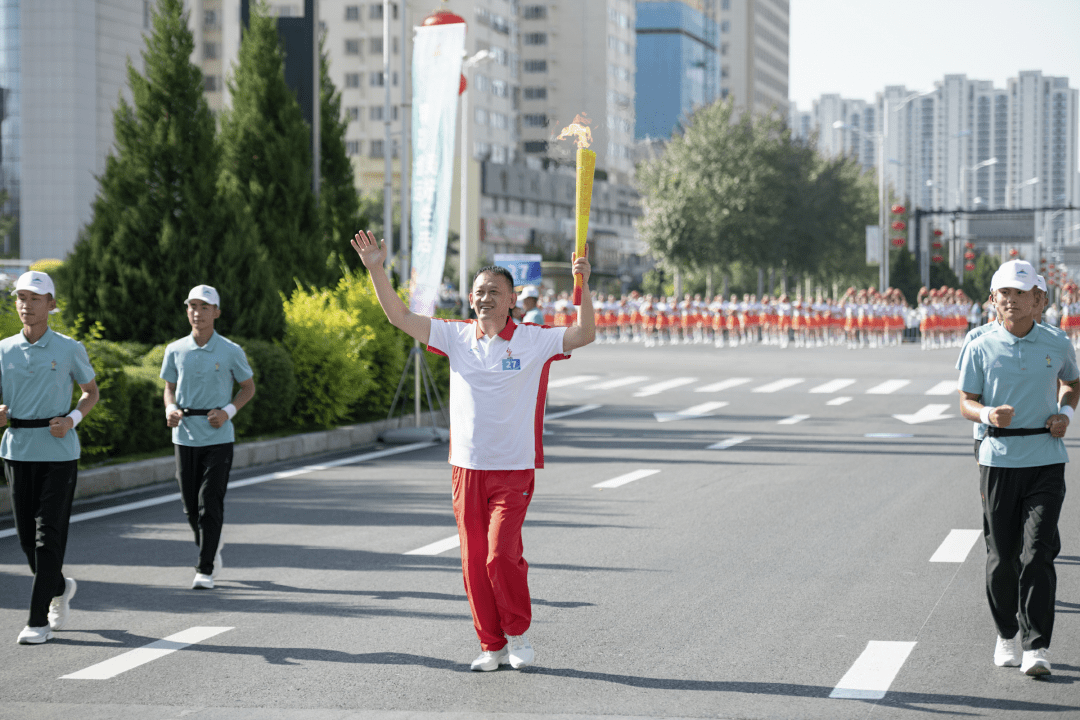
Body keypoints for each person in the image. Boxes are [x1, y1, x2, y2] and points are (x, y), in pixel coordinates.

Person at [351, 229, 595, 672]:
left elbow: (584, 335)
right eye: (479, 292)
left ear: (511, 299)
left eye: (494, 293)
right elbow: (400, 317)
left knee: (500, 554)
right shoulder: (456, 337)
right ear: (470, 298)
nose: (485, 299)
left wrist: (584, 287)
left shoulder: (532, 340)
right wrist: (375, 269)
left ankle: (517, 634)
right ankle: (491, 644)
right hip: (466, 467)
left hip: (513, 468)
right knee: (472, 562)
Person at [957, 260, 1078, 677]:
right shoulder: (978, 345)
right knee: (1003, 556)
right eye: (1003, 293)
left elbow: (1073, 382)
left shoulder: (1057, 343)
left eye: (1019, 293)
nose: (1011, 299)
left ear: (1036, 300)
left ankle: (1037, 644)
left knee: (1039, 553)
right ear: (993, 300)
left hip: (1046, 457)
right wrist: (988, 414)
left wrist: (1065, 412)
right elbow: (965, 401)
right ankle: (1007, 633)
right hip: (999, 459)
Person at [1, 271, 99, 644]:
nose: (26, 305)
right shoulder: (3, 349)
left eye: (35, 298)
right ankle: (60, 586)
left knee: (47, 539)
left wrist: (72, 419)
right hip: (17, 451)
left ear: (52, 305)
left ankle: (37, 621)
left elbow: (90, 392)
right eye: (21, 298)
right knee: (27, 541)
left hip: (58, 454)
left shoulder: (69, 347)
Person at [161, 285, 255, 590]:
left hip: (218, 436)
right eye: (192, 307)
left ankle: (205, 568)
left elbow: (248, 388)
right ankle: (211, 545)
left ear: (216, 312)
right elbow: (169, 388)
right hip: (184, 435)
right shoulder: (175, 349)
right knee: (190, 507)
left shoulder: (230, 350)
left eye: (204, 307)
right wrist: (170, 408)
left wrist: (228, 411)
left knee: (209, 503)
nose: (197, 313)